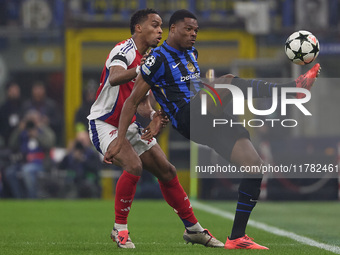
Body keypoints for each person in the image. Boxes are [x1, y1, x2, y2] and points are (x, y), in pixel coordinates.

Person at [108, 9, 321, 250]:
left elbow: (176, 89)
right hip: (189, 117)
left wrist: (160, 115)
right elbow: (132, 101)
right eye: (188, 29)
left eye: (196, 30)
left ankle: (237, 237)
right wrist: (120, 140)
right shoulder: (157, 58)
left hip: (208, 117)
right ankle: (293, 88)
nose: (193, 34)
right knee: (227, 80)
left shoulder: (191, 53)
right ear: (174, 28)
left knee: (255, 166)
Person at [87, 8, 223, 249]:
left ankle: (193, 229)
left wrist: (153, 115)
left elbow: (141, 102)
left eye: (161, 26)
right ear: (138, 28)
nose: (159, 30)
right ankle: (120, 230)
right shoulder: (124, 50)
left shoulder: (151, 56)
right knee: (134, 165)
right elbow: (115, 78)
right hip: (104, 123)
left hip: (127, 124)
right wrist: (144, 69)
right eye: (154, 25)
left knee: (167, 170)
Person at [5, 110, 56, 198]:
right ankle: (19, 197)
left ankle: (32, 197)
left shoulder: (43, 130)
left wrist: (38, 135)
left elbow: (50, 143)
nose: (32, 122)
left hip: (40, 163)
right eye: (29, 119)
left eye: (34, 119)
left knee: (27, 170)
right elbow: (12, 145)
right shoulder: (23, 132)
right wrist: (18, 130)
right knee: (10, 172)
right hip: (24, 162)